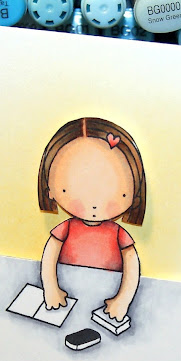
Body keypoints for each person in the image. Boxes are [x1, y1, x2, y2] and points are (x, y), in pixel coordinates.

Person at [38, 117, 146, 322]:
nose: (94, 202)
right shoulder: (66, 228)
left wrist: (123, 300)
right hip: (68, 297)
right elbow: (49, 257)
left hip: (105, 297)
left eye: (112, 188)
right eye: (74, 187)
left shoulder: (118, 234)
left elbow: (132, 265)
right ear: (49, 189)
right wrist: (50, 289)